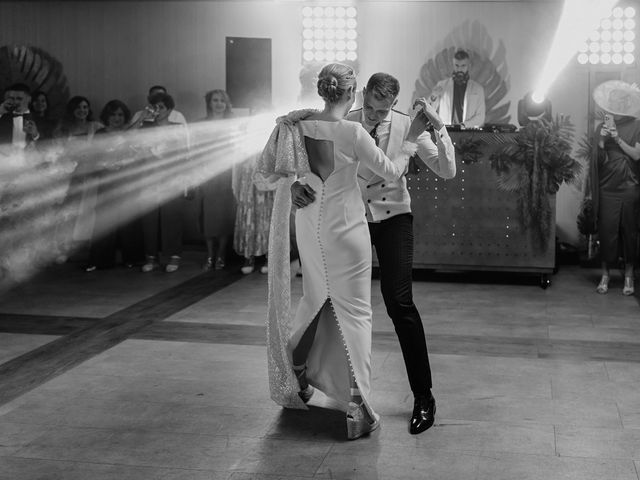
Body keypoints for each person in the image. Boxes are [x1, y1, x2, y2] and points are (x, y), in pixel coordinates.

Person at [260, 63, 430, 440]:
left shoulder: (295, 125)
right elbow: (389, 170)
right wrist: (412, 139)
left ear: (323, 92)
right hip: (347, 227)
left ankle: (296, 376)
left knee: (315, 299)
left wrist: (295, 185)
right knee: (354, 314)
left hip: (309, 225)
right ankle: (358, 409)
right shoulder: (353, 131)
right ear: (352, 94)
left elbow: (271, 172)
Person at [292, 72, 456, 435]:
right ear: (361, 95)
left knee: (398, 302)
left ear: (393, 106)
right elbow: (311, 168)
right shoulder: (344, 122)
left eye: (381, 112)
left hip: (394, 216)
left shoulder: (406, 126)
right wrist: (296, 187)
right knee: (328, 298)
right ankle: (313, 378)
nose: (373, 116)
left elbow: (447, 170)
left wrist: (439, 129)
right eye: (368, 107)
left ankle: (423, 396)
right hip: (349, 220)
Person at [590, 80, 640, 296]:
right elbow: (597, 159)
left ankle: (629, 275)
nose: (615, 104)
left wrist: (617, 138)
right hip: (607, 186)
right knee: (607, 231)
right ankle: (605, 275)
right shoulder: (601, 127)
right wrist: (602, 138)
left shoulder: (637, 125)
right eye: (613, 101)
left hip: (629, 185)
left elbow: (637, 155)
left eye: (620, 101)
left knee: (629, 232)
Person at [131, 92, 190, 273]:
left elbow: (184, 154)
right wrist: (141, 118)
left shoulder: (178, 127)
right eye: (154, 106)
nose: (157, 111)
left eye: (161, 107)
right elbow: (127, 138)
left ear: (170, 109)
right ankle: (151, 256)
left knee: (171, 218)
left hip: (171, 179)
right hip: (148, 179)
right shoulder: (145, 127)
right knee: (149, 220)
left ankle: (174, 255)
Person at [85, 99, 144, 271]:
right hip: (107, 181)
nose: (117, 118)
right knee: (104, 220)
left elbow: (136, 154)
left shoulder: (130, 133)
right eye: (113, 114)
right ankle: (100, 260)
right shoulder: (101, 134)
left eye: (120, 114)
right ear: (106, 116)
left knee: (128, 220)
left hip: (126, 180)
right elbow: (95, 158)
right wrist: (106, 165)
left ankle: (132, 258)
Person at [198, 89, 236, 270]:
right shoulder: (202, 125)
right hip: (208, 174)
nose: (219, 103)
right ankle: (209, 255)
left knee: (223, 217)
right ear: (209, 103)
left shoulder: (233, 124)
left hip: (227, 173)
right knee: (208, 217)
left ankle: (220, 255)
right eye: (215, 100)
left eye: (222, 100)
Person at [430, 49, 485, 128]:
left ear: (469, 65)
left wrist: (463, 125)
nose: (459, 69)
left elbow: (480, 118)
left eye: (463, 66)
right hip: (446, 132)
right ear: (453, 65)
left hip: (469, 133)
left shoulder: (478, 89)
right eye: (457, 65)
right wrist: (433, 97)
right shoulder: (442, 85)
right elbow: (430, 111)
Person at [0, 83, 41, 152]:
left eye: (19, 98)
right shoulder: (3, 117)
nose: (15, 102)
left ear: (29, 99)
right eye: (13, 98)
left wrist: (35, 134)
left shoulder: (39, 119)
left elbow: (49, 145)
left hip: (29, 160)